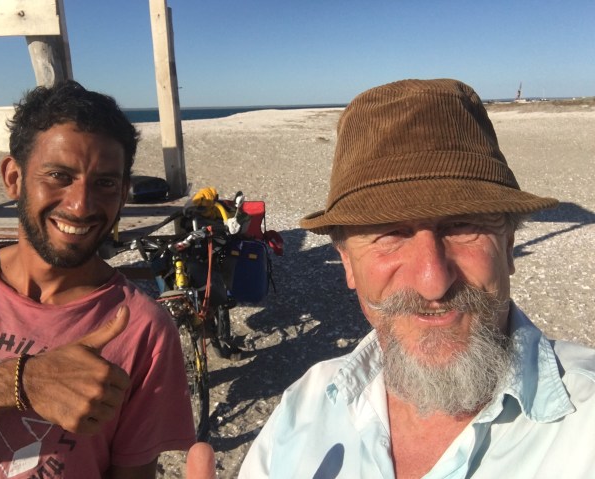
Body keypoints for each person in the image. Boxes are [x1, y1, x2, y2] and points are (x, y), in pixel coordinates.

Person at [239, 79, 595, 478]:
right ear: (347, 263)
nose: (433, 282)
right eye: (390, 233)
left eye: (462, 225)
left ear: (508, 245)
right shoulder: (303, 410)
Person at [0, 80, 212, 478]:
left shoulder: (142, 330)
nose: (80, 206)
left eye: (105, 183)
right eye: (59, 175)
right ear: (14, 177)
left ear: (123, 193)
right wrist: (21, 382)